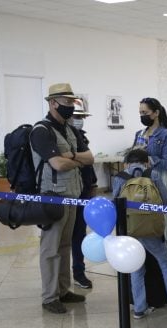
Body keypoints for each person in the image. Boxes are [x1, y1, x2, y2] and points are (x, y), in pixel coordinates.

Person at [30, 83, 94, 313]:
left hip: (72, 195)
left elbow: (90, 157)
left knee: (65, 245)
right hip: (52, 198)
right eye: (67, 102)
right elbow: (57, 163)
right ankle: (49, 297)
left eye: (72, 102)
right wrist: (75, 159)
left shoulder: (70, 129)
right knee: (50, 248)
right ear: (53, 102)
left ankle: (64, 290)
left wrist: (72, 156)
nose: (70, 106)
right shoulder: (41, 130)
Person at [112, 149, 167, 319]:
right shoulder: (153, 174)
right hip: (152, 230)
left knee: (136, 267)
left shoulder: (120, 177)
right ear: (146, 162)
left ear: (127, 163)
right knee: (166, 264)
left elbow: (115, 202)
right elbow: (166, 201)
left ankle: (140, 309)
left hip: (129, 230)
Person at [133, 97, 167, 295]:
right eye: (140, 114)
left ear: (155, 113)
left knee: (165, 234)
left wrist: (148, 157)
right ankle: (148, 280)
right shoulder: (139, 134)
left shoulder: (166, 135)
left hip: (158, 186)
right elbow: (132, 159)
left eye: (145, 113)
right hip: (139, 190)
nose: (142, 117)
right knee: (142, 233)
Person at [69, 100, 98, 289]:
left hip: (84, 191)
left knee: (79, 233)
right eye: (77, 117)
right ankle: (69, 274)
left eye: (82, 117)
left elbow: (89, 163)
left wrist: (93, 184)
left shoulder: (81, 136)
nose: (79, 121)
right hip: (69, 191)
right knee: (67, 235)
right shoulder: (63, 136)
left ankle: (79, 271)